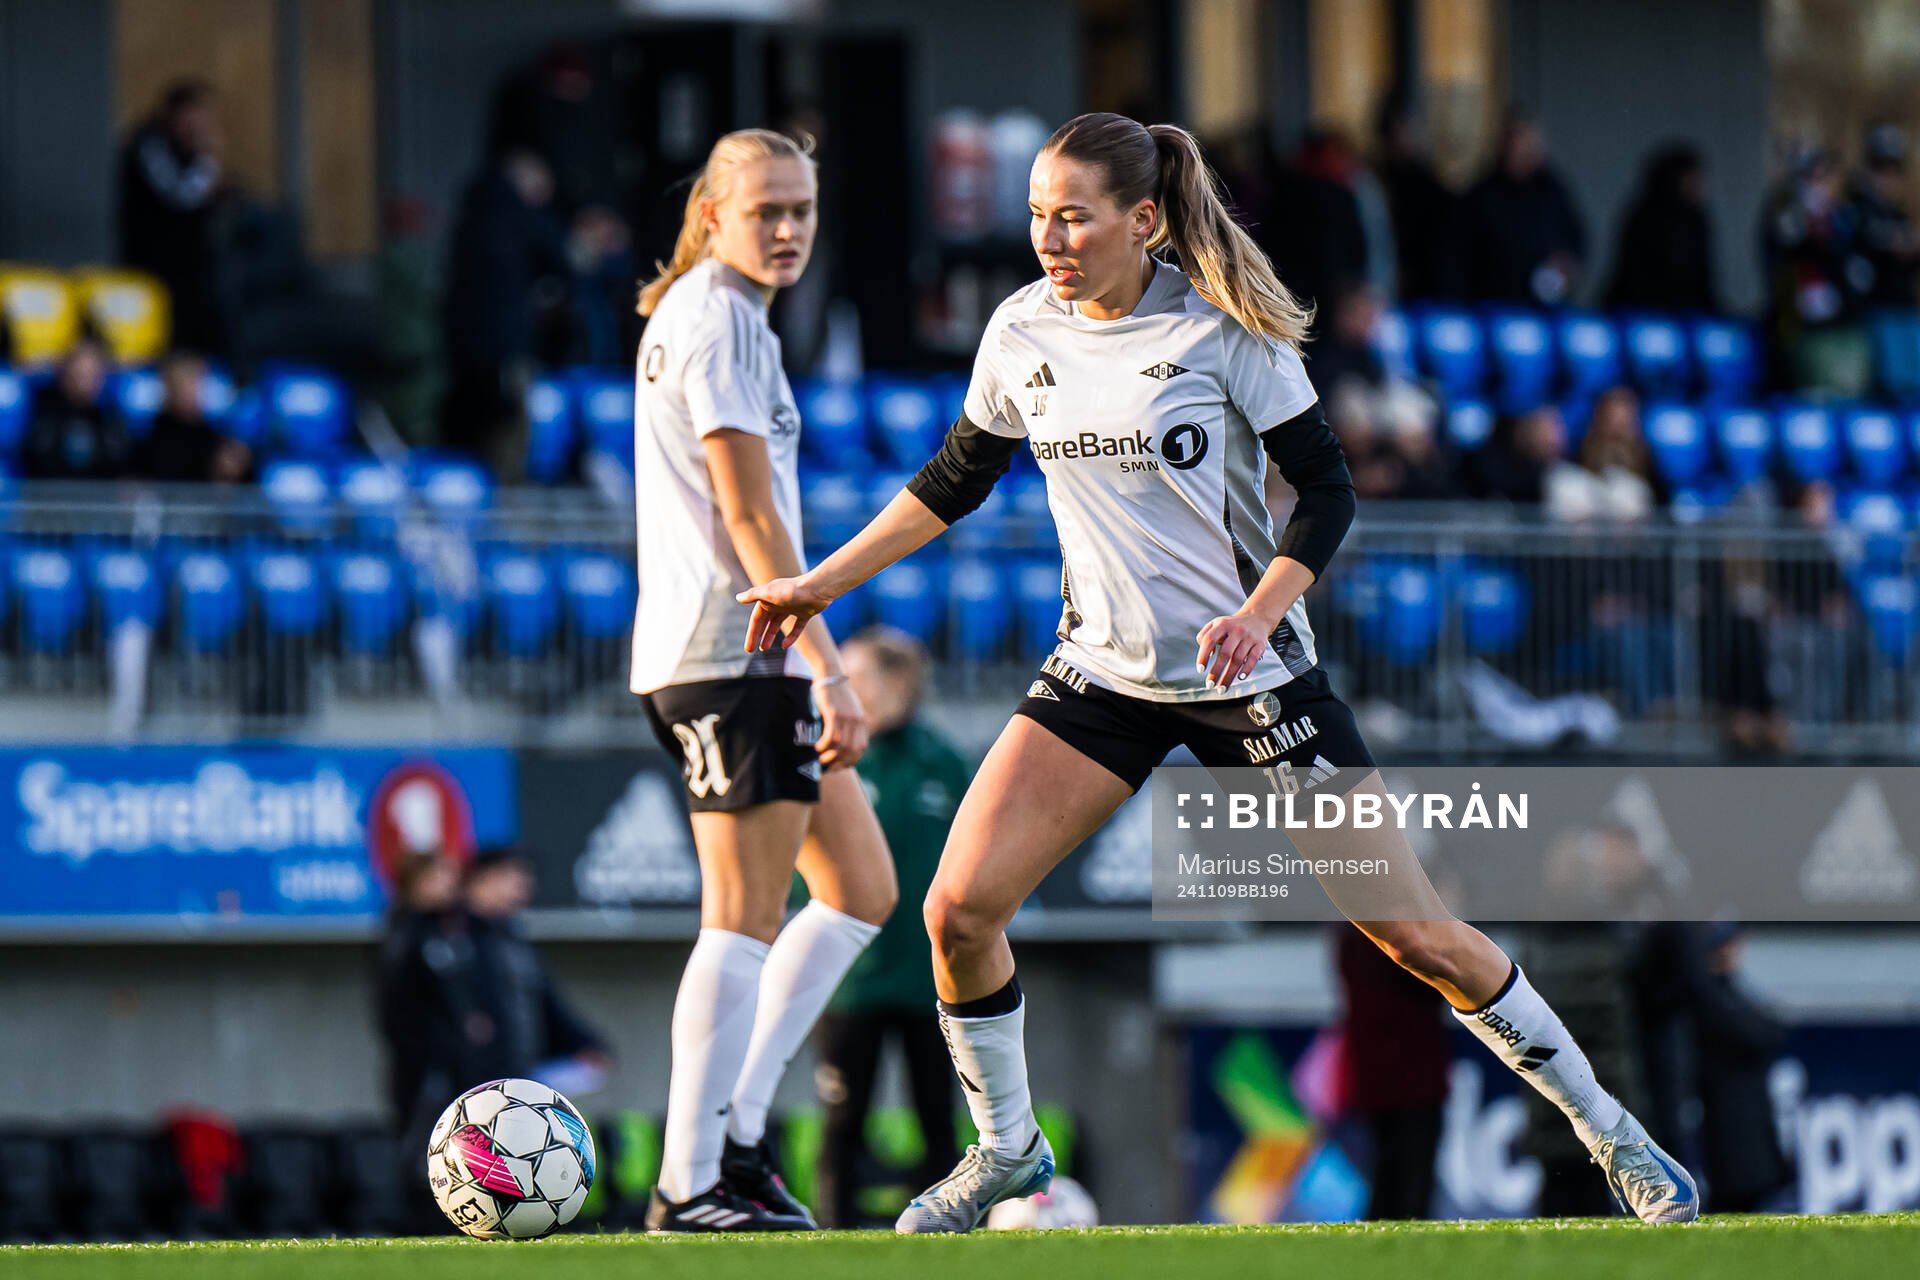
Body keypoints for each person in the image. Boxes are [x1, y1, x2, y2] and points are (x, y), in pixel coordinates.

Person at [741, 112, 1698, 1233]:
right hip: (1102, 674)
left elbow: (1329, 490)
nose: (1049, 236)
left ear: (1143, 220)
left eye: (1074, 216)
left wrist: (1257, 613)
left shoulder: (1224, 330)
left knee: (1418, 936)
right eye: (1039, 214)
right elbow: (954, 478)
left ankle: (1611, 1133)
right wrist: (818, 584)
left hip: (1256, 682)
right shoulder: (1019, 330)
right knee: (957, 908)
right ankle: (1005, 1147)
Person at [630, 128, 897, 1233]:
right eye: (765, 211)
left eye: (802, 210)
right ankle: (688, 1183)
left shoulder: (715, 313)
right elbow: (748, 513)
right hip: (732, 653)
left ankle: (735, 1137)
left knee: (863, 890)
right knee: (738, 918)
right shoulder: (720, 318)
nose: (786, 229)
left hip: (745, 653)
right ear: (711, 213)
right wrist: (826, 663)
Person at [812, 627, 966, 1228]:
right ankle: (831, 1235)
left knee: (938, 1115)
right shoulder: (832, 758)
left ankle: (943, 1232)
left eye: (855, 678)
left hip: (933, 981)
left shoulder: (946, 762)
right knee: (843, 1117)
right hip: (850, 982)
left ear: (896, 682)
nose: (843, 690)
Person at [439, 148, 571, 481]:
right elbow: (562, 259)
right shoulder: (520, 220)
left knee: (473, 432)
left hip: (464, 353)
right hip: (507, 349)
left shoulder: (470, 220)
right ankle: (507, 503)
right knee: (511, 435)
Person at [117, 80, 231, 357]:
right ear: (173, 116)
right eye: (190, 117)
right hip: (148, 265)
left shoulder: (201, 159)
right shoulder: (145, 150)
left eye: (202, 118)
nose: (197, 126)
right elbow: (177, 196)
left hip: (194, 269)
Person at [1465, 112, 1586, 305]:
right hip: (1489, 308)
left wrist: (1566, 266)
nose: (1519, 149)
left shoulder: (1552, 191)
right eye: (1514, 141)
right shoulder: (1482, 195)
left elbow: (1576, 241)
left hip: (1543, 308)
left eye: (1526, 141)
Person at [1606, 143, 1720, 313]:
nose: (1700, 187)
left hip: (1688, 314)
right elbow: (1638, 275)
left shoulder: (1697, 220)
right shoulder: (1646, 217)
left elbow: (1702, 277)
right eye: (1693, 179)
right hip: (1643, 312)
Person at [22, 339, 135, 481]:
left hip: (101, 498)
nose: (85, 383)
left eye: (92, 375)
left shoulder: (110, 416)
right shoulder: (44, 410)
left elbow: (121, 464)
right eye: (79, 374)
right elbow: (37, 459)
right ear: (64, 375)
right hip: (52, 497)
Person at [143, 353, 252, 483]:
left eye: (197, 383)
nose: (194, 391)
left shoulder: (219, 436)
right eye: (186, 384)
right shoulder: (151, 433)